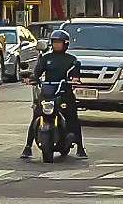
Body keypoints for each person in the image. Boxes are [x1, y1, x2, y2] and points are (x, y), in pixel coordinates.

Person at [31, 28, 84, 160]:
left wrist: (74, 79)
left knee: (72, 117)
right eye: (54, 42)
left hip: (64, 92)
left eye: (59, 42)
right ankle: (27, 147)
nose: (56, 45)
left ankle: (81, 147)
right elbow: (37, 72)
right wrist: (32, 78)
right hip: (48, 92)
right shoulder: (46, 58)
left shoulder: (71, 60)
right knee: (36, 114)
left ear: (65, 44)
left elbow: (75, 72)